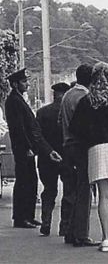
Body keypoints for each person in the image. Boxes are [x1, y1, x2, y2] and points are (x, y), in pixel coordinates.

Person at [69, 62, 108, 253]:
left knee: (103, 196)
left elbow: (75, 129)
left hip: (96, 149)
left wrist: (91, 135)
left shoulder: (86, 101)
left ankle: (105, 239)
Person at [4, 68, 62, 229]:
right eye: (24, 82)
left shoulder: (17, 99)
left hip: (26, 147)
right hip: (23, 148)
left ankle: (28, 215)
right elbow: (19, 128)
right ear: (15, 84)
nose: (27, 84)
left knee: (30, 180)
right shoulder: (14, 101)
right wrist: (27, 147)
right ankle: (21, 217)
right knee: (24, 181)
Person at [60, 64, 99, 247]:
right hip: (81, 147)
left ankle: (69, 231)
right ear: (91, 79)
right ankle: (81, 234)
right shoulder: (84, 97)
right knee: (84, 190)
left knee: (71, 190)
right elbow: (88, 125)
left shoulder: (67, 95)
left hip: (67, 146)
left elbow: (60, 120)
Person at [35, 82, 73, 236]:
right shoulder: (69, 112)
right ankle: (64, 226)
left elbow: (37, 135)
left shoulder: (42, 112)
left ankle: (46, 222)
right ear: (66, 94)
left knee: (49, 190)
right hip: (66, 156)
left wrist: (47, 151)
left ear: (54, 94)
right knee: (69, 191)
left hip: (46, 158)